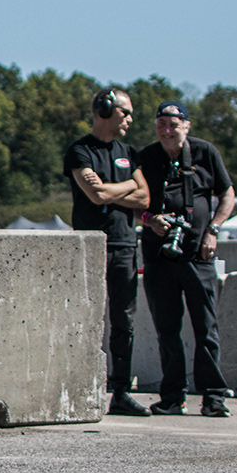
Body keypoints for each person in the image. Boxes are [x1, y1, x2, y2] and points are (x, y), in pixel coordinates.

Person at [136, 101, 236, 418]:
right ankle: (172, 396)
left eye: (173, 124)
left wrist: (213, 230)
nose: (167, 130)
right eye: (161, 124)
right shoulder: (147, 157)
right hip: (158, 255)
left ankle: (214, 397)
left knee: (206, 328)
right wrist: (150, 219)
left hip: (198, 254)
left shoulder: (205, 153)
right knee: (167, 330)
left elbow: (227, 194)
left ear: (186, 126)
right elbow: (130, 202)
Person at [63, 88, 150, 416]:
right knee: (86, 320)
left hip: (125, 244)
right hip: (91, 246)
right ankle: (83, 389)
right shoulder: (79, 151)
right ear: (105, 109)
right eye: (125, 112)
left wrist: (117, 189)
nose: (129, 119)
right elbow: (95, 193)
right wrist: (128, 185)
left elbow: (145, 199)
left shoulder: (129, 151)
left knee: (124, 321)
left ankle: (122, 391)